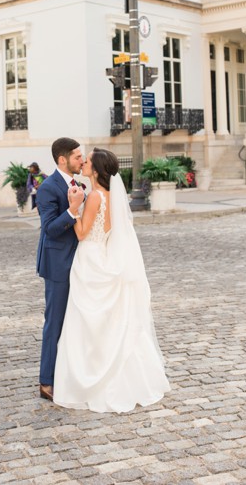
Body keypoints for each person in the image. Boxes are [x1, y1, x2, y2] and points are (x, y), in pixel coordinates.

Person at [52, 148, 170, 413]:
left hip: (90, 260)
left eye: (88, 161)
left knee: (86, 322)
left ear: (96, 169)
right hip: (103, 254)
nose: (83, 163)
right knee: (106, 322)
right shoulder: (111, 197)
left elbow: (82, 233)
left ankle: (92, 379)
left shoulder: (94, 197)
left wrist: (73, 208)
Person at [35, 138, 85, 402]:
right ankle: (46, 381)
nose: (82, 160)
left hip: (80, 262)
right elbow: (50, 229)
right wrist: (73, 209)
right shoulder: (47, 188)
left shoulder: (77, 184)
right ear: (63, 159)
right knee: (54, 323)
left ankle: (69, 374)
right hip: (57, 264)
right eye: (77, 156)